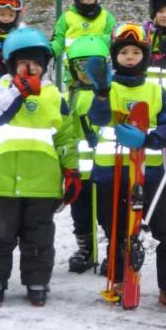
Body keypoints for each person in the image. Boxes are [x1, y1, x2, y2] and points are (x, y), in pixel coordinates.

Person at [0, 27, 81, 308]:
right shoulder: (0, 89)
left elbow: (66, 136)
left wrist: (71, 170)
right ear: (11, 64)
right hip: (3, 178)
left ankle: (37, 280)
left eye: (36, 62)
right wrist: (17, 93)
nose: (31, 68)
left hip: (42, 180)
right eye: (23, 62)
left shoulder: (54, 95)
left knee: (39, 235)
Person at [88, 24, 166, 311]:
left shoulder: (156, 91)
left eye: (135, 52)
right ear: (115, 56)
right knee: (118, 232)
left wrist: (147, 139)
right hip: (112, 173)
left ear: (144, 56)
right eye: (124, 52)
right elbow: (97, 118)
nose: (130, 57)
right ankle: (120, 278)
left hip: (150, 175)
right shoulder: (107, 87)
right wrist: (101, 93)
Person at [61, 34, 110, 274]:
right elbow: (65, 130)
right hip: (81, 168)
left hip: (106, 167)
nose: (85, 71)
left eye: (92, 65)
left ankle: (114, 248)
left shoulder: (110, 92)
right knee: (81, 212)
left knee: (107, 212)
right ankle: (86, 247)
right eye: (79, 65)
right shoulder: (70, 96)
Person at [50, 0, 116, 83]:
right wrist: (48, 51)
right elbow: (58, 40)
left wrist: (95, 40)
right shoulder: (66, 17)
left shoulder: (107, 17)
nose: (86, 2)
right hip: (73, 72)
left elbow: (112, 40)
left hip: (100, 70)